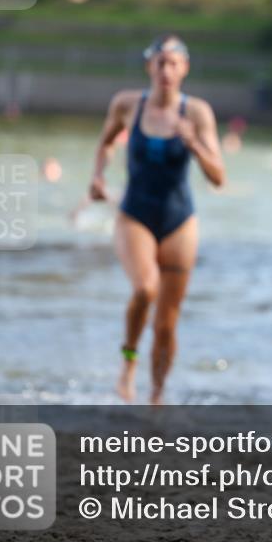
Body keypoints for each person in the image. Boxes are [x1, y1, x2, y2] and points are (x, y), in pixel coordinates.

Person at [88, 34, 225, 405]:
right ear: (150, 66)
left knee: (167, 323)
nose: (166, 70)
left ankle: (157, 398)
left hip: (180, 220)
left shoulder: (196, 113)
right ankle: (128, 363)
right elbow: (104, 142)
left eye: (173, 63)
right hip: (135, 214)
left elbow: (219, 177)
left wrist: (194, 143)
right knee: (145, 289)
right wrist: (97, 176)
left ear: (185, 70)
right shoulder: (127, 104)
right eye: (160, 62)